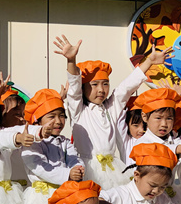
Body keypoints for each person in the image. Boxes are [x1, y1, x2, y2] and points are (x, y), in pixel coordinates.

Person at [54, 35, 171, 188]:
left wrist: (149, 62)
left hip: (113, 169)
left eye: (105, 84)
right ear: (83, 88)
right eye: (94, 84)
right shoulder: (79, 110)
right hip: (87, 169)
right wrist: (71, 60)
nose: (101, 90)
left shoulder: (111, 108)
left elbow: (127, 87)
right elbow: (74, 88)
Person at [19, 88, 85, 204]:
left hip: (64, 193)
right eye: (51, 116)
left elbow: (74, 157)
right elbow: (40, 167)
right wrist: (68, 174)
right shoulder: (32, 143)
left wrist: (77, 168)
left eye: (62, 116)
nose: (58, 121)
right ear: (37, 120)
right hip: (41, 197)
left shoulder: (64, 141)